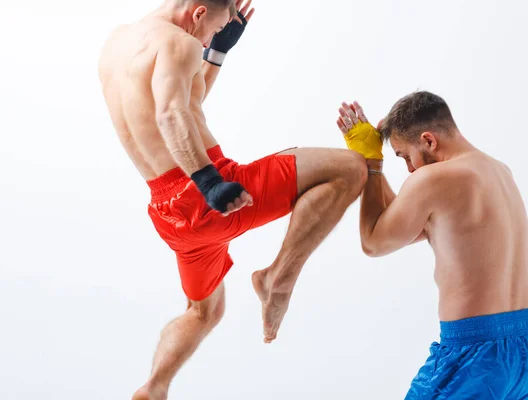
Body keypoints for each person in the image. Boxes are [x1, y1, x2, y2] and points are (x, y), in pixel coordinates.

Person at [98, 1, 367, 399]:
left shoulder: (117, 42)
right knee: (351, 169)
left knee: (205, 311)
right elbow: (172, 115)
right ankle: (277, 278)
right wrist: (209, 182)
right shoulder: (179, 43)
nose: (209, 39)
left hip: (168, 214)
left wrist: (218, 53)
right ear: (198, 12)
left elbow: (187, 102)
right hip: (209, 195)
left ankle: (153, 389)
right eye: (215, 28)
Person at [336, 92, 528, 399]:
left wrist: (372, 162)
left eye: (405, 156)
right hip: (527, 353)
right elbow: (404, 223)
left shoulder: (432, 180)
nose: (409, 169)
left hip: (473, 356)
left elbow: (373, 242)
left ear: (428, 141)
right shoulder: (500, 172)